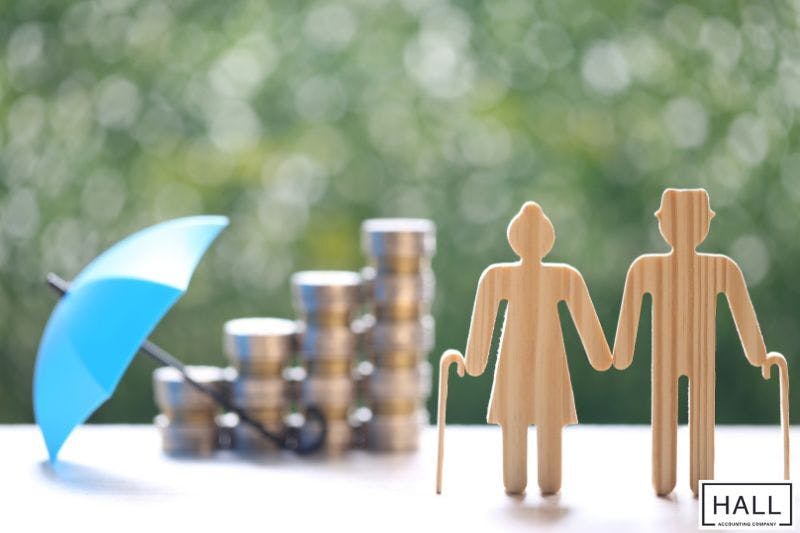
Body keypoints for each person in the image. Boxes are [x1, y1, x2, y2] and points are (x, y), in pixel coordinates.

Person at [613, 188, 770, 496]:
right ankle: (667, 477)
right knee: (664, 413)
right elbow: (629, 320)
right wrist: (619, 353)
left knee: (700, 416)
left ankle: (695, 479)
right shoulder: (646, 269)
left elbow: (744, 318)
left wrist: (761, 357)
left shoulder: (721, 269)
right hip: (667, 357)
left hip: (701, 358)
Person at [458, 201, 612, 495]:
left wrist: (472, 364)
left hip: (538, 364)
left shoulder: (508, 277)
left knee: (535, 420)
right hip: (529, 364)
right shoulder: (552, 276)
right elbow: (482, 326)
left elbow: (480, 335)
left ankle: (533, 480)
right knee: (531, 421)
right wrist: (603, 357)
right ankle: (533, 481)